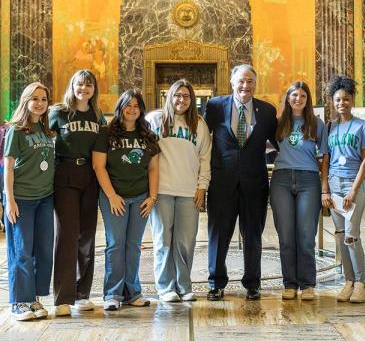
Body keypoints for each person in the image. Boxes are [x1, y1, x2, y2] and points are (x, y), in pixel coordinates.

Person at [204, 64, 277, 301]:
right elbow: (202, 140)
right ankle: (216, 282)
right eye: (241, 81)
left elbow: (279, 143)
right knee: (218, 233)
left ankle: (252, 283)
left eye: (250, 81)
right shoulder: (215, 106)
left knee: (253, 234)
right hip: (221, 183)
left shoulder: (267, 111)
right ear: (232, 83)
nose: (245, 86)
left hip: (254, 183)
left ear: (256, 84)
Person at [93, 89, 159, 310]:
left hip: (140, 198)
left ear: (141, 110)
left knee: (133, 246)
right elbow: (98, 166)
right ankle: (112, 294)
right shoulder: (106, 133)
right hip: (115, 198)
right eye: (128, 105)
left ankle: (133, 292)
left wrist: (152, 197)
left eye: (136, 106)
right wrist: (112, 196)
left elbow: (153, 169)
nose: (132, 110)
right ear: (120, 107)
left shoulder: (148, 136)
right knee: (115, 245)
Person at [146, 79, 211, 302]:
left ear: (191, 100)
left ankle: (184, 285)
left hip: (188, 190)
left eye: (186, 96)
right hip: (161, 190)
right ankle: (165, 288)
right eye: (177, 95)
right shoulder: (154, 119)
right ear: (169, 96)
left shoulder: (199, 124)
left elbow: (205, 157)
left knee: (185, 241)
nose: (181, 100)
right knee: (162, 240)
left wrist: (202, 186)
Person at [49, 70, 106, 316]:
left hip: (90, 175)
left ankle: (83, 293)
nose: (84, 88)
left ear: (94, 89)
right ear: (72, 85)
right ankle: (63, 296)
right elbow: (43, 138)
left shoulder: (98, 115)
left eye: (89, 85)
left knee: (87, 235)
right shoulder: (58, 112)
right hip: (65, 175)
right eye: (79, 84)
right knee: (66, 235)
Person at [270, 81, 327, 300]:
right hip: (282, 179)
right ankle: (290, 284)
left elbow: (324, 157)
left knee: (305, 234)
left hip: (308, 180)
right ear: (288, 97)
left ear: (307, 100)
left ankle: (308, 284)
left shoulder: (316, 124)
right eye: (294, 95)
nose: (298, 99)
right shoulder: (278, 123)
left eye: (303, 96)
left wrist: (324, 187)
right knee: (286, 235)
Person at [3, 82, 55, 320]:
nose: (40, 103)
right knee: (22, 251)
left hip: (44, 199)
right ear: (26, 101)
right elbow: (8, 168)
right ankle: (19, 303)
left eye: (43, 99)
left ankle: (33, 299)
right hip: (21, 199)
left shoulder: (46, 131)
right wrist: (9, 200)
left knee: (43, 250)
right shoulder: (16, 130)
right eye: (35, 98)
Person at [321, 75, 365, 303]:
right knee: (340, 234)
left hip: (353, 183)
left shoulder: (362, 126)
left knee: (352, 235)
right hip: (334, 183)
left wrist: (354, 190)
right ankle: (348, 280)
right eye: (337, 99)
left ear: (351, 100)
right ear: (332, 102)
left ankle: (361, 283)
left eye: (345, 99)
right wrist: (324, 189)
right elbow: (325, 159)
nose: (341, 103)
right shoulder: (330, 127)